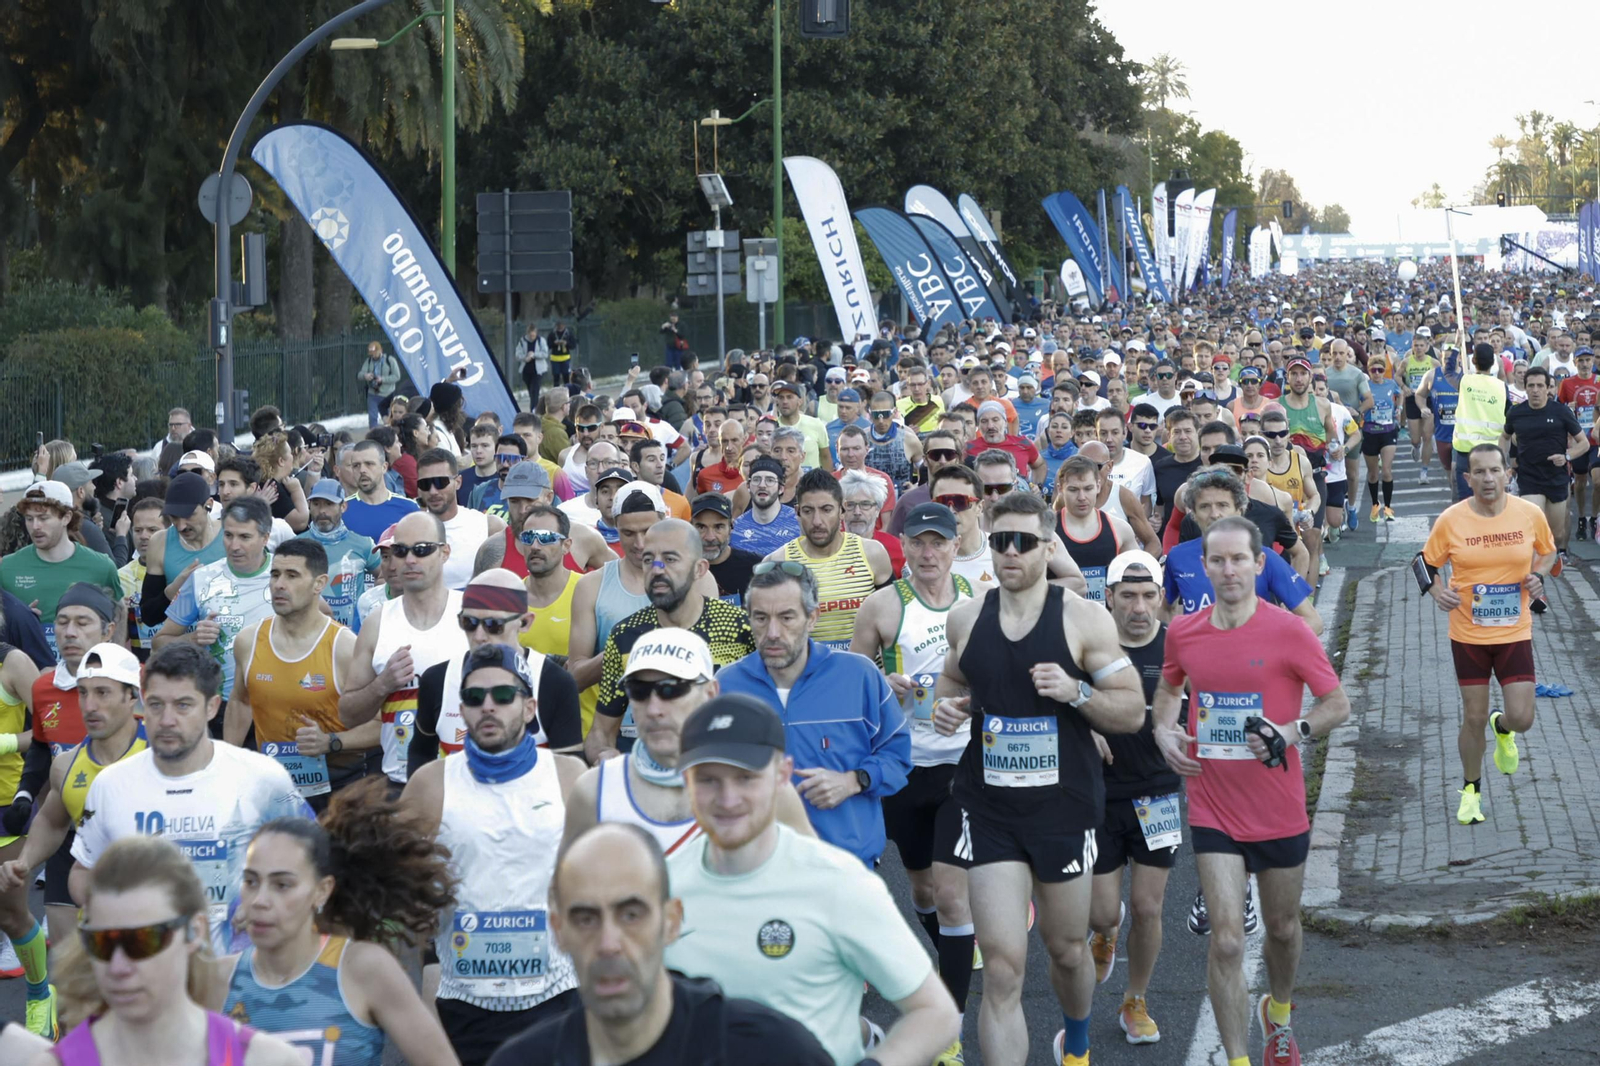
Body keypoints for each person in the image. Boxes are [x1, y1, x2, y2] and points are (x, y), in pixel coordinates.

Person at [931, 489, 1144, 1066]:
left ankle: (1075, 1042)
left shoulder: (1082, 617)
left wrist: (1076, 691)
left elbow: (1130, 710)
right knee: (1001, 966)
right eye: (1002, 541)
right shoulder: (967, 616)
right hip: (990, 810)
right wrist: (948, 708)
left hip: (1064, 811)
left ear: (1048, 547)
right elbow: (951, 685)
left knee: (1068, 950)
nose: (1012, 553)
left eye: (1026, 542)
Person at [663, 694, 960, 1066]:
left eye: (746, 777)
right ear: (684, 780)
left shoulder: (837, 883)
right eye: (707, 780)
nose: (728, 798)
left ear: (783, 774)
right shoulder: (661, 889)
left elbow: (936, 1013)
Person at [1153, 515, 1351, 1066]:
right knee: (1228, 940)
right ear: (1204, 566)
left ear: (1259, 564)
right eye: (1217, 560)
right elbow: (1169, 690)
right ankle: (1239, 1058)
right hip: (1212, 805)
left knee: (1284, 929)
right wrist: (1164, 730)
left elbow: (1337, 704)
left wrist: (1292, 732)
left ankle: (1278, 1015)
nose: (1228, 569)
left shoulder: (1289, 631)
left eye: (1239, 559)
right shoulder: (1184, 632)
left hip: (1278, 805)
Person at [492, 821, 832, 1066]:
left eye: (631, 915)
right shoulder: (521, 1059)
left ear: (671, 921)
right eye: (586, 919)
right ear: (558, 931)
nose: (609, 943)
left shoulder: (769, 1051)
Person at [400, 644, 587, 1066]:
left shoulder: (569, 777)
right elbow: (401, 896)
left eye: (503, 696)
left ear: (529, 707)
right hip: (465, 1004)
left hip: (557, 998)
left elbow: (596, 886)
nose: (488, 707)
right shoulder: (431, 785)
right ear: (461, 709)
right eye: (473, 697)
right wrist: (427, 973)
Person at [70, 643, 313, 955]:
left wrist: (270, 901)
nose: (167, 719)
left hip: (242, 975)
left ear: (212, 707)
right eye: (156, 705)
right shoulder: (110, 785)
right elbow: (82, 871)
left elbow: (312, 859)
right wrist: (113, 910)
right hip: (148, 969)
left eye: (183, 705)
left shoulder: (262, 777)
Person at [848, 501, 979, 1065]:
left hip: (961, 766)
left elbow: (998, 679)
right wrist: (884, 680)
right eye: (919, 543)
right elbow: (852, 681)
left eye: (938, 543)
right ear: (906, 548)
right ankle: (946, 945)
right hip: (902, 768)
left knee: (952, 896)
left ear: (955, 547)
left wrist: (969, 705)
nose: (928, 553)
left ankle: (947, 1027)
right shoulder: (882, 606)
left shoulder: (976, 607)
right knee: (923, 891)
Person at [213, 781, 460, 1065]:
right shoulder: (217, 980)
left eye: (282, 885)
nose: (260, 900)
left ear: (322, 890)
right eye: (251, 882)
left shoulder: (364, 969)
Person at [35, 836, 302, 1066]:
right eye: (101, 942)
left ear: (194, 932)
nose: (118, 966)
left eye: (143, 939)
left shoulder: (269, 1060)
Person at [717, 562, 911, 866]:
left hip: (847, 868)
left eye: (786, 617)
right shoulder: (724, 687)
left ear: (812, 618)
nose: (772, 633)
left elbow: (898, 756)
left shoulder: (858, 676)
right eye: (760, 618)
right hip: (758, 869)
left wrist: (854, 780)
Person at [564, 628, 813, 850]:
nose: (654, 709)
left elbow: (819, 883)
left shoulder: (764, 787)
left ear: (710, 693)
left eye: (671, 689)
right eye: (638, 691)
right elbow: (565, 893)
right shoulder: (593, 790)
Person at [1421, 443, 1557, 826]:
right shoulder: (1451, 520)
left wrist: (1540, 573)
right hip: (1468, 634)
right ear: (1467, 478)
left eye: (1494, 470)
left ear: (1507, 473)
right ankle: (1470, 791)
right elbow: (1422, 563)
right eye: (1478, 472)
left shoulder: (1529, 514)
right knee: (1473, 716)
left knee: (1522, 717)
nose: (1487, 478)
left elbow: (1549, 553)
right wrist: (1436, 591)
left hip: (1515, 631)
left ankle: (1505, 728)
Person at [1086, 551, 1178, 1045]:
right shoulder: (1090, 649)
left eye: (1148, 596)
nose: (1139, 607)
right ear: (1109, 598)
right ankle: (1103, 932)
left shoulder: (1177, 649)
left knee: (1147, 907)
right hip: (1098, 797)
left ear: (1160, 598)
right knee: (1103, 911)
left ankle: (1135, 999)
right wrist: (1085, 730)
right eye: (1128, 596)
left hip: (1158, 793)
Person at [226, 540, 379, 812]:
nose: (279, 585)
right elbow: (240, 702)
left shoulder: (344, 647)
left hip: (339, 787)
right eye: (275, 574)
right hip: (274, 782)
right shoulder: (248, 641)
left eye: (292, 575)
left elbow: (380, 725)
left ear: (319, 584)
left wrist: (331, 743)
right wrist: (227, 764)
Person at [338, 511, 468, 788]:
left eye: (422, 550)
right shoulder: (378, 621)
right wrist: (382, 685)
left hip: (466, 781)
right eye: (400, 551)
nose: (409, 560)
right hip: (401, 783)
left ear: (444, 553)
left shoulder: (471, 616)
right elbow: (348, 715)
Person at [409, 568, 583, 774]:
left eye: (494, 625)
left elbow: (569, 774)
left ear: (525, 622)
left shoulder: (554, 682)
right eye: (469, 623)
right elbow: (420, 755)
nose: (479, 636)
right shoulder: (438, 680)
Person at [154, 496, 279, 707]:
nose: (234, 546)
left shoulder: (286, 574)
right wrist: (194, 639)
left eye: (245, 537)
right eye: (228, 535)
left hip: (278, 703)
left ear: (265, 538)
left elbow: (323, 620)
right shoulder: (202, 579)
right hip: (220, 706)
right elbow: (159, 643)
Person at [1166, 468, 1322, 634]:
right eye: (1204, 507)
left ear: (1239, 510)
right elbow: (1164, 611)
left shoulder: (1264, 557)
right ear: (1194, 514)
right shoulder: (1177, 557)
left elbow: (1314, 622)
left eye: (1222, 505)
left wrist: (1267, 643)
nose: (1214, 514)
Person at [763, 469, 891, 650]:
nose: (817, 521)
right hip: (807, 675)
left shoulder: (872, 553)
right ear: (798, 512)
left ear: (842, 510)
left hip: (864, 673)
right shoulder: (778, 562)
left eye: (826, 510)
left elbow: (893, 623)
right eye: (808, 511)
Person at [1, 482, 122, 657]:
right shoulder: (7, 568)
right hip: (29, 676)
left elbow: (119, 612)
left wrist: (115, 659)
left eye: (43, 518)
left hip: (85, 675)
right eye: (29, 518)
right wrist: (18, 620)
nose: (35, 526)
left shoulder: (101, 566)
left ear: (66, 517)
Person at [1504, 366, 1587, 561]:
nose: (1535, 390)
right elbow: (1504, 437)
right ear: (1525, 388)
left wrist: (1566, 456)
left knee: (1556, 533)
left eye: (1540, 385)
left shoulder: (1561, 411)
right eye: (1531, 386)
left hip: (1556, 477)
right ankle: (1536, 571)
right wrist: (1504, 462)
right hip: (1529, 476)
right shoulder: (1516, 412)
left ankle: (1554, 554)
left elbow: (1583, 443)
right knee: (1534, 522)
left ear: (1547, 388)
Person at [415, 449, 506, 590]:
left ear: (458, 482)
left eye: (441, 482)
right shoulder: (409, 531)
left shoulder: (488, 526)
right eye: (425, 484)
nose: (433, 491)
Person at [296, 478, 379, 632]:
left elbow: (385, 575)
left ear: (343, 506)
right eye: (316, 504)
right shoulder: (296, 546)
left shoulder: (363, 544)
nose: (322, 511)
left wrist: (372, 606)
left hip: (352, 636)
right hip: (309, 634)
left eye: (329, 504)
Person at [1053, 456, 1136, 604]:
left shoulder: (1120, 528)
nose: (1082, 497)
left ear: (1098, 486)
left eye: (1088, 488)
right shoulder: (1046, 530)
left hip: (1106, 620)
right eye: (1073, 490)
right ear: (1060, 489)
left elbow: (1138, 577)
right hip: (1060, 619)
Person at [1450, 342, 1512, 502]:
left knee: (1466, 501)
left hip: (1465, 450)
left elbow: (1448, 371)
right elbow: (1510, 415)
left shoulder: (1465, 381)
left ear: (1473, 361)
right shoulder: (1501, 387)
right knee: (1492, 498)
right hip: (1493, 450)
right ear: (1493, 363)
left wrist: (1457, 346)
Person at [1557, 346, 1598, 541]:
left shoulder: (1599, 382)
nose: (1584, 364)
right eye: (1581, 360)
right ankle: (1582, 517)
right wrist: (1567, 407)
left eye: (1588, 360)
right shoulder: (1567, 383)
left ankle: (1595, 519)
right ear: (1575, 362)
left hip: (1597, 438)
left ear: (1593, 362)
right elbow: (1558, 408)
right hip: (1578, 439)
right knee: (1580, 483)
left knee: (1598, 481)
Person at [341, 440, 420, 540]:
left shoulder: (409, 508)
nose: (362, 470)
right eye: (356, 465)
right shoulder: (342, 511)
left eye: (369, 464)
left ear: (384, 467)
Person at [691, 493, 761, 606]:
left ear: (731, 527)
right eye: (701, 527)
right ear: (691, 527)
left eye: (718, 527)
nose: (710, 537)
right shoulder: (681, 570)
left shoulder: (755, 568)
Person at [730, 457, 801, 557]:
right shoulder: (736, 529)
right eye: (756, 479)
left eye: (770, 480)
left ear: (781, 488)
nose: (762, 485)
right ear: (748, 486)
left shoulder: (799, 523)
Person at [359, 342, 403, 428]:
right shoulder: (368, 361)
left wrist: (383, 379)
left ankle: (390, 435)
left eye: (375, 353)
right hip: (373, 393)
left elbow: (397, 376)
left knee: (388, 418)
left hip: (387, 395)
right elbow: (360, 374)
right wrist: (365, 375)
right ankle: (373, 436)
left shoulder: (390, 360)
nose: (373, 356)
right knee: (372, 418)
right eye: (371, 354)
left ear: (380, 350)